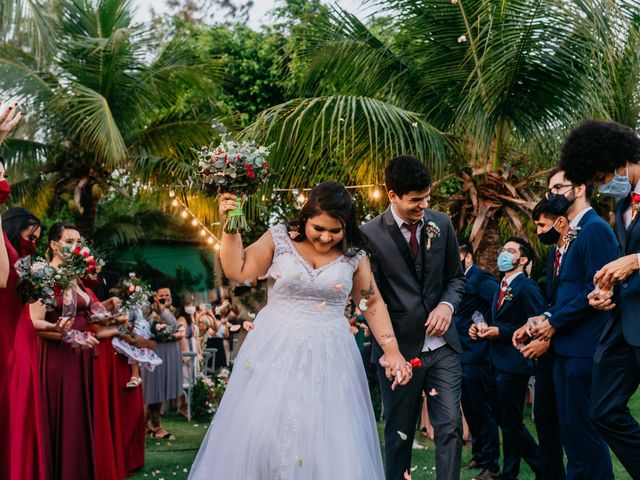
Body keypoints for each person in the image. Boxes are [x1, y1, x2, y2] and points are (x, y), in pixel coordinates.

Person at [189, 181, 412, 480]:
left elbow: (371, 303)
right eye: (318, 228)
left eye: (335, 231)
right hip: (274, 349)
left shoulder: (355, 255)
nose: (325, 237)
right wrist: (230, 225)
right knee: (263, 433)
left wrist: (392, 350)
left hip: (331, 355)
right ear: (305, 217)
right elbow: (237, 271)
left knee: (326, 437)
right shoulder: (279, 237)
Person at [362, 156, 466, 480]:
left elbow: (456, 278)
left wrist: (446, 306)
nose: (424, 205)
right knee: (399, 434)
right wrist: (389, 349)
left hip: (443, 348)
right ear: (392, 195)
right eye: (415, 200)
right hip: (398, 351)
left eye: (427, 197)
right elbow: (368, 297)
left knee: (449, 425)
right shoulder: (369, 235)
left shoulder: (442, 224)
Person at [559, 119, 640, 478]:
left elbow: (632, 261)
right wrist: (606, 291)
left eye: (604, 176)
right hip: (624, 323)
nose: (604, 184)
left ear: (621, 160)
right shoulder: (624, 205)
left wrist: (636, 260)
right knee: (603, 409)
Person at [527, 167, 618, 479]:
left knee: (584, 434)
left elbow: (598, 290)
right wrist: (544, 317)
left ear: (579, 188)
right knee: (570, 432)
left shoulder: (596, 229)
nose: (551, 194)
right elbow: (567, 292)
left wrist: (554, 320)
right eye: (549, 189)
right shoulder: (572, 233)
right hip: (565, 348)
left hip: (585, 348)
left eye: (558, 187)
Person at [30, 223, 102, 479]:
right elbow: (32, 321)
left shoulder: (75, 277)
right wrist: (69, 334)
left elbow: (89, 311)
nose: (76, 246)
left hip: (81, 357)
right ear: (53, 245)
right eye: (69, 241)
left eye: (78, 241)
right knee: (63, 417)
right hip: (57, 356)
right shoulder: (45, 276)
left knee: (79, 419)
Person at [470, 237, 544, 480]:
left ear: (522, 260)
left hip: (515, 363)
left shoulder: (527, 286)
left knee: (511, 423)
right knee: (507, 422)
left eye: (509, 251)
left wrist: (500, 332)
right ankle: (525, 471)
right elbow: (499, 321)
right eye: (503, 249)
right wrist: (481, 330)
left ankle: (533, 467)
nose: (503, 253)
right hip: (496, 361)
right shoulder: (501, 286)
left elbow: (537, 324)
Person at [513, 196, 569, 480]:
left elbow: (574, 298)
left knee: (569, 426)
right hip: (549, 351)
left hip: (566, 349)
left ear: (560, 222)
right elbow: (552, 303)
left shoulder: (582, 242)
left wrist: (546, 331)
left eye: (541, 225)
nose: (538, 232)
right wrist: (535, 322)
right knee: (545, 421)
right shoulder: (553, 257)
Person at [0, 202, 48, 480]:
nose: (32, 244)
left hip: (20, 332)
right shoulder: (6, 249)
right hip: (8, 334)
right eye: (30, 237)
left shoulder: (20, 256)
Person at [454, 241, 500, 479]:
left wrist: (482, 324)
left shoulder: (481, 279)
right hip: (462, 352)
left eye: (456, 254)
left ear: (467, 257)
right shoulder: (459, 280)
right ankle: (480, 454)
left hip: (477, 352)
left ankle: (492, 465)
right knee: (470, 409)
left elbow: (499, 304)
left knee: (482, 409)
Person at [142, 286, 184, 440]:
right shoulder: (152, 312)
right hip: (157, 353)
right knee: (153, 390)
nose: (165, 297)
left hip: (168, 353)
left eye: (168, 294)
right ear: (155, 297)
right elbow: (155, 333)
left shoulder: (169, 310)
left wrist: (179, 330)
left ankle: (148, 427)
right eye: (162, 295)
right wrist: (175, 335)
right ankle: (155, 427)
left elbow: (175, 327)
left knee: (158, 391)